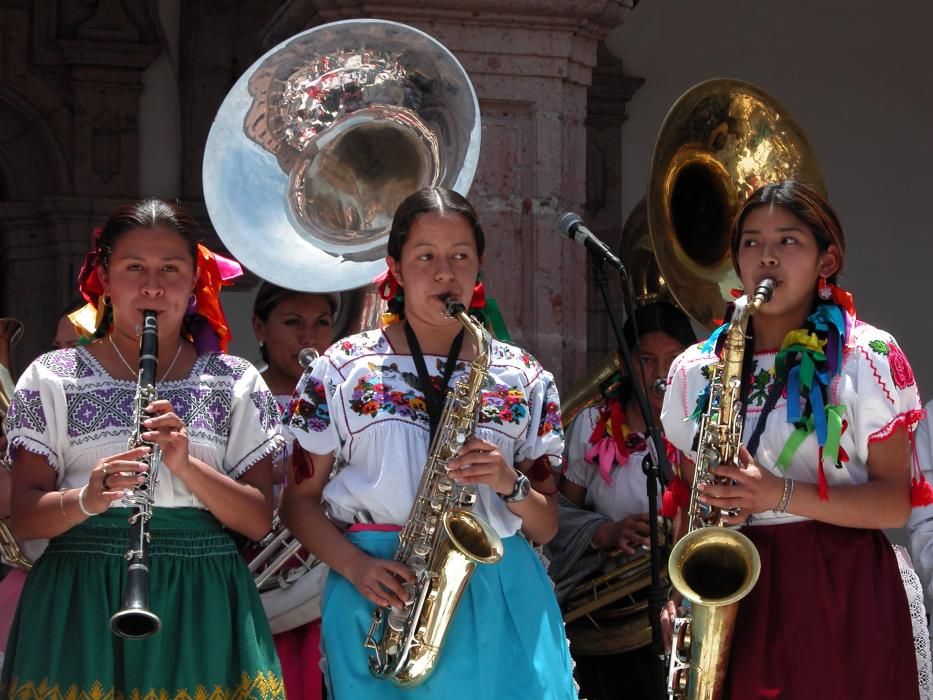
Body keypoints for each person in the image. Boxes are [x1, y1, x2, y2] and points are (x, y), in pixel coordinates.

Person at [280, 187, 577, 699]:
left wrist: (509, 482)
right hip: (383, 589)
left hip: (499, 586)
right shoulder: (342, 369)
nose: (445, 272)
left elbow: (547, 524)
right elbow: (298, 504)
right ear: (394, 265)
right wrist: (355, 566)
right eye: (426, 257)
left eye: (460, 256)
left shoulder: (522, 375)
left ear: (479, 265)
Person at [1, 199, 285, 697]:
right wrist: (87, 498)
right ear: (105, 280)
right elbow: (23, 516)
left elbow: (258, 519)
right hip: (79, 595)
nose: (153, 286)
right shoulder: (51, 376)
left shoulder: (235, 381)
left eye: (171, 269)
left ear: (195, 281)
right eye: (135, 268)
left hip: (203, 595)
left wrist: (186, 465)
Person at [661, 180, 929, 699]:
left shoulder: (865, 356)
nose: (767, 258)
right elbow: (690, 501)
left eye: (788, 241)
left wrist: (776, 494)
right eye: (751, 243)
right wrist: (683, 594)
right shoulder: (695, 370)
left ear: (826, 261)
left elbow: (895, 503)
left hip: (839, 589)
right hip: (730, 589)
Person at [547, 300, 695, 700]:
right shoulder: (592, 424)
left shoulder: (700, 428)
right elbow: (555, 520)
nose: (660, 374)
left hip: (678, 614)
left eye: (672, 360)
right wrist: (605, 532)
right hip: (604, 623)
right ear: (626, 364)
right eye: (646, 360)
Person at [251, 281, 338, 700]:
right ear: (259, 329)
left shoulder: (345, 396)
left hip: (331, 562)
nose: (310, 337)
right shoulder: (239, 395)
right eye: (292, 322)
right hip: (261, 565)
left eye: (322, 323)